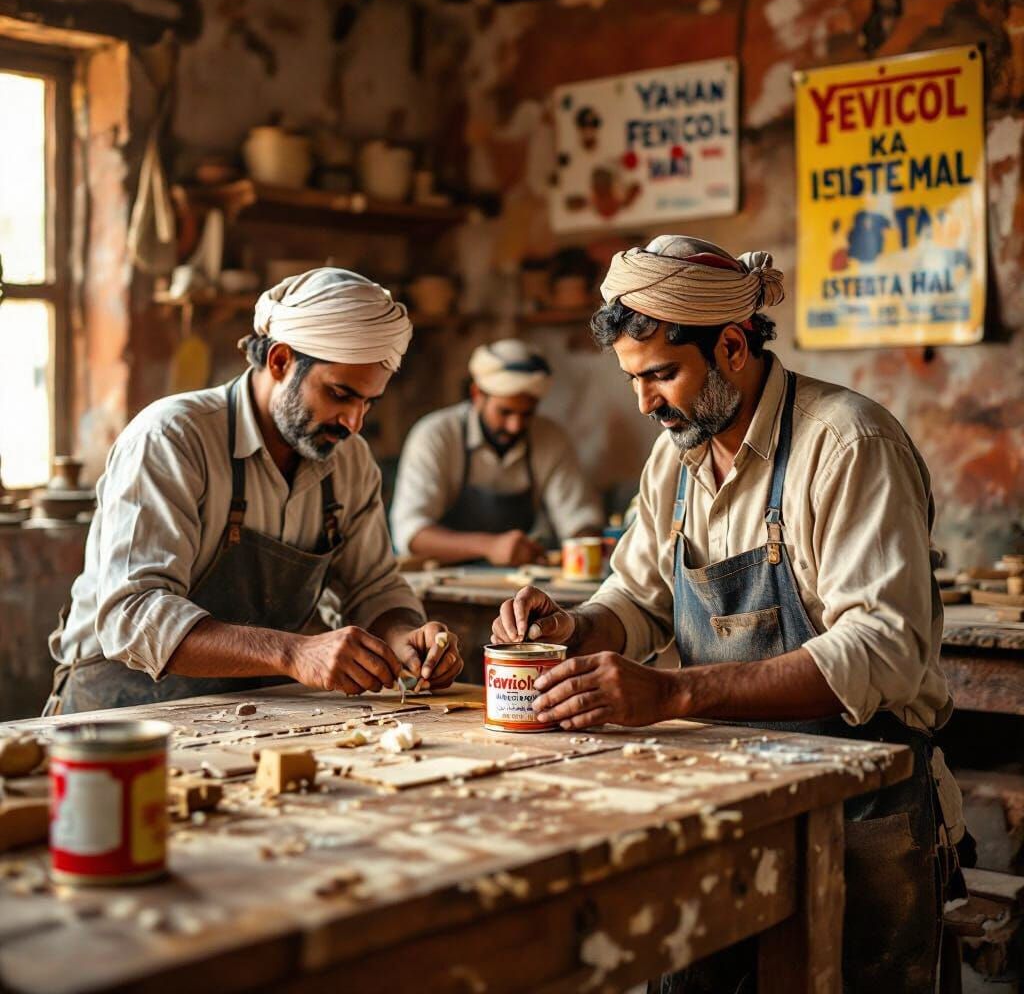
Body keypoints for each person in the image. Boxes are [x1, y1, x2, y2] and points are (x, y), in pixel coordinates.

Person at [491, 235, 964, 992]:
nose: (645, 403)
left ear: (734, 346)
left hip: (858, 801)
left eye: (661, 376)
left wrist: (675, 695)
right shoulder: (676, 455)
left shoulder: (845, 444)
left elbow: (883, 651)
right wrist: (573, 626)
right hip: (723, 794)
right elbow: (635, 598)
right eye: (633, 380)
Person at [46, 268, 462, 714]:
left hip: (255, 714)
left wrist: (407, 638)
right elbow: (132, 615)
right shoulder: (172, 437)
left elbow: (373, 587)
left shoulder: (350, 460)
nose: (354, 422)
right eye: (340, 394)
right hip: (121, 713)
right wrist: (294, 653)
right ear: (281, 361)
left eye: (368, 402)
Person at [390, 338, 603, 567]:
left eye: (527, 413)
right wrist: (489, 546)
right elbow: (411, 533)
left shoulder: (550, 439)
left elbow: (580, 518)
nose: (516, 426)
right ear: (477, 395)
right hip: (441, 577)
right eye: (505, 412)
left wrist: (584, 539)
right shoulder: (436, 435)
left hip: (517, 582)